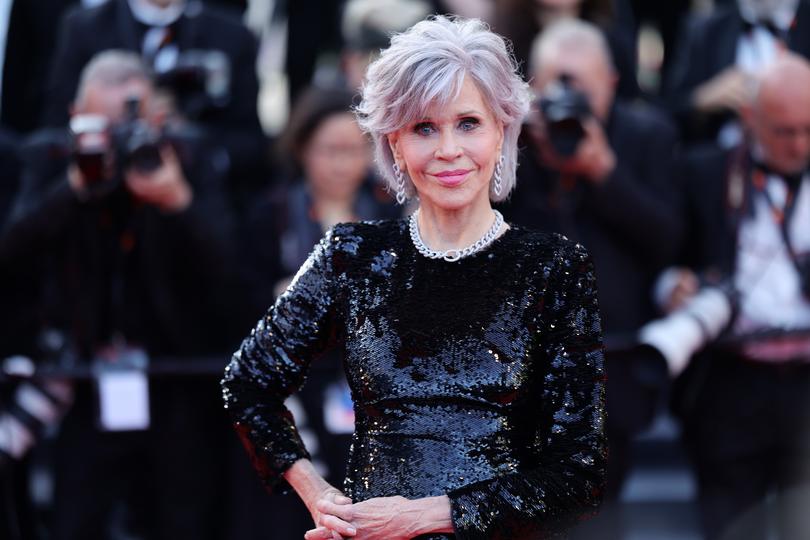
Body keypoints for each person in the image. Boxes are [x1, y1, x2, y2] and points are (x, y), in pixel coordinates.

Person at [222, 15, 607, 540]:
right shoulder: (353, 256)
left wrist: (433, 514)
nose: (448, 149)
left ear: (502, 131)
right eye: (425, 128)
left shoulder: (553, 268)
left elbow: (579, 473)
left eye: (468, 123)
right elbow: (247, 383)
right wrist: (320, 495)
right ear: (395, 144)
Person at [1, 50, 238, 540]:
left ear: (155, 119)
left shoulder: (187, 157)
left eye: (126, 126)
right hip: (84, 377)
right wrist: (73, 189)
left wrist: (177, 202)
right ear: (74, 116)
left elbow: (233, 276)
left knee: (182, 520)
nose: (114, 142)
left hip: (174, 377)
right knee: (74, 519)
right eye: (100, 127)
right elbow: (12, 254)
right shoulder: (48, 158)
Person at [500, 20, 681, 538]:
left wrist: (605, 172)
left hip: (612, 368)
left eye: (581, 84)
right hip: (522, 372)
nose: (568, 97)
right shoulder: (511, 142)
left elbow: (669, 239)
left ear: (612, 84)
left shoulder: (648, 136)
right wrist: (517, 149)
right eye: (555, 82)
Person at [663, 53, 810, 539]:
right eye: (784, 131)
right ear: (750, 120)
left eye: (809, 129)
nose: (799, 144)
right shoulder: (704, 172)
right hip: (732, 378)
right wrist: (673, 287)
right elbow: (664, 258)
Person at [665, 0, 810, 145]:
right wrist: (703, 98)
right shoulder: (706, 29)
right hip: (725, 153)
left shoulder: (804, 20)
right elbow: (667, 107)